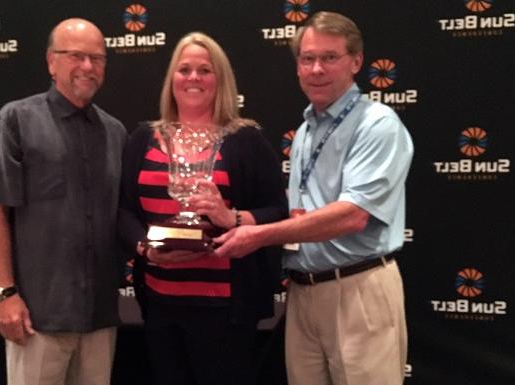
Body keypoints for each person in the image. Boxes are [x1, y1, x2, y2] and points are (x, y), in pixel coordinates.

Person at [214, 11, 413, 385]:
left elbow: (352, 216)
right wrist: (237, 220)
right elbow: (303, 215)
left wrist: (257, 237)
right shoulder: (306, 130)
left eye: (329, 57)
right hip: (304, 291)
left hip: (358, 289)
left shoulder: (378, 124)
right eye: (307, 59)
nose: (317, 69)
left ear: (356, 62)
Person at [117, 32, 287, 385]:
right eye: (185, 69)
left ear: (220, 79)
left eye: (204, 70)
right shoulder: (143, 138)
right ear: (172, 79)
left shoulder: (246, 139)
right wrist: (145, 250)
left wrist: (232, 218)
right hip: (161, 301)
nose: (193, 78)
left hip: (225, 306)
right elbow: (124, 211)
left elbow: (277, 211)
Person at [0, 18, 126, 385]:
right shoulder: (15, 120)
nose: (88, 67)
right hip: (37, 318)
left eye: (97, 58)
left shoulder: (116, 133)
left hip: (99, 317)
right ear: (51, 61)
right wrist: (5, 294)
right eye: (76, 56)